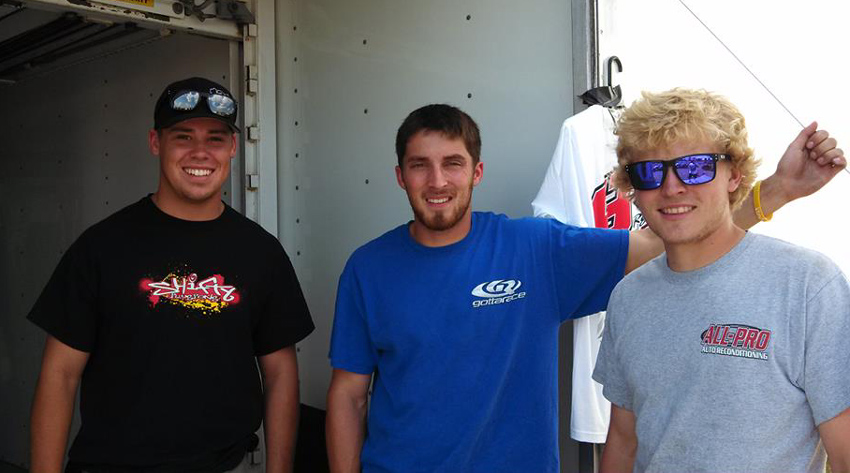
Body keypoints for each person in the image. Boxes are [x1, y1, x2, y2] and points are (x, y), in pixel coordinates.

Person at [325, 103, 844, 472]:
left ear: (477, 172)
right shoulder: (368, 269)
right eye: (420, 166)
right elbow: (348, 398)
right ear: (400, 176)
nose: (437, 181)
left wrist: (779, 190)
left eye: (452, 164)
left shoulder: (535, 250)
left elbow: (668, 234)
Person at [28, 77, 314, 473]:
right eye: (183, 137)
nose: (200, 152)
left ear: (233, 147)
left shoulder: (261, 252)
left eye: (215, 139)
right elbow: (59, 375)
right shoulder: (101, 247)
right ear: (155, 142)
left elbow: (281, 375)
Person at [593, 88, 850, 473]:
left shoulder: (808, 284)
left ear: (735, 176)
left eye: (695, 167)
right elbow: (623, 443)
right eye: (649, 172)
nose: (672, 187)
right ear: (632, 188)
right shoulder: (627, 296)